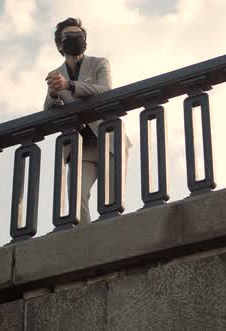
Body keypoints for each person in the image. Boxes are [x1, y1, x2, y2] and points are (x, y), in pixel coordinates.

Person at [43, 17, 129, 225]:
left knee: (111, 202)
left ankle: (112, 243)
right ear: (59, 44)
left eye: (80, 36)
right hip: (80, 148)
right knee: (76, 197)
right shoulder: (56, 74)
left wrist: (70, 85)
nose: (76, 39)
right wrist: (53, 93)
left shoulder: (99, 63)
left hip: (109, 141)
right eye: (69, 36)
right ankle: (87, 240)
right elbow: (48, 111)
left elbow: (106, 89)